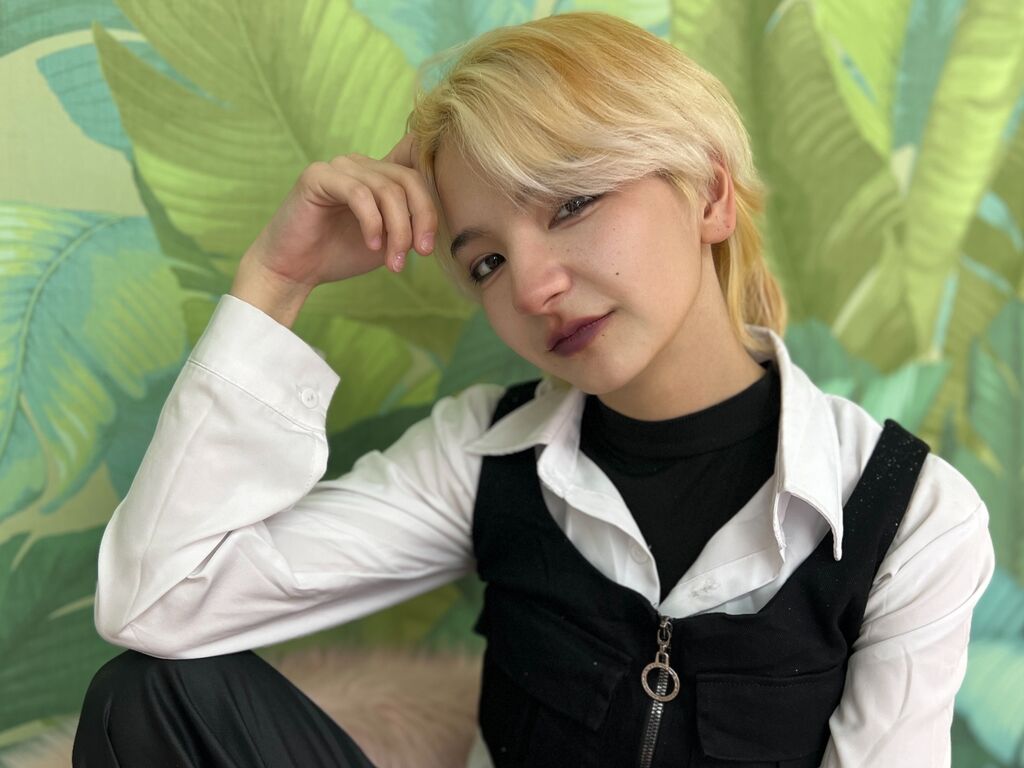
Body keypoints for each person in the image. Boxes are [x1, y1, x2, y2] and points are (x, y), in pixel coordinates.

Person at [72, 11, 994, 768]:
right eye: (486, 262)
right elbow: (158, 603)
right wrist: (279, 280)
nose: (533, 287)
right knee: (151, 694)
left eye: (572, 203)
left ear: (710, 196)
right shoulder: (484, 454)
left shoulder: (912, 517)